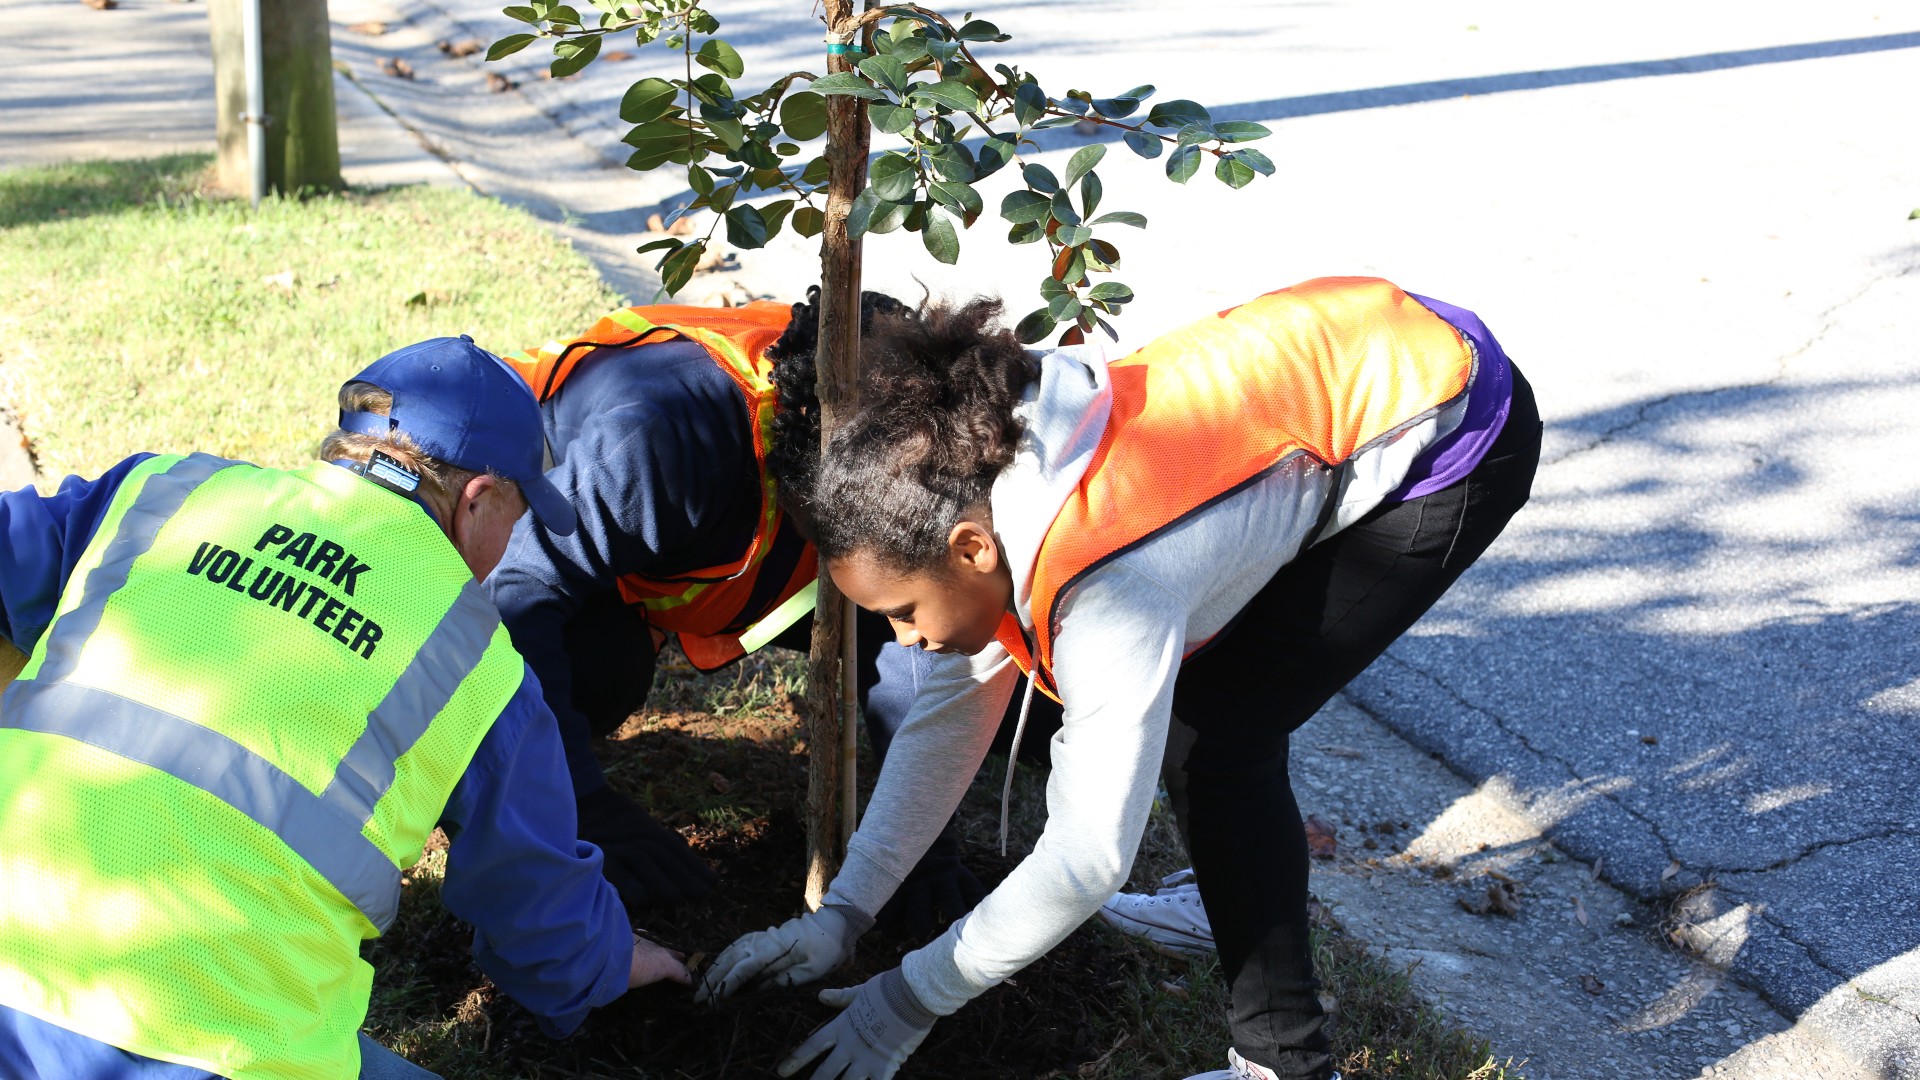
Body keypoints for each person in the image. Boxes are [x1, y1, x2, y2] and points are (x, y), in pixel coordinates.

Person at [698, 277, 1543, 1080]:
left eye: (905, 611)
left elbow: (1087, 859)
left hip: (1449, 420)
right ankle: (1227, 892)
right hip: (1339, 367)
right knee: (1202, 721)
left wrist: (911, 999)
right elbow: (951, 720)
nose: (905, 640)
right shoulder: (979, 470)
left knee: (1216, 740)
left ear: (969, 549)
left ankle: (1285, 1062)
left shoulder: (1110, 587)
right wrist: (845, 915)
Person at [0, 338, 688, 1079]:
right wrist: (615, 961)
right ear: (479, 498)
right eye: (517, 520)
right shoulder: (479, 664)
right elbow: (539, 913)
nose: (510, 549)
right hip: (209, 1050)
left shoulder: (163, 490)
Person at [488, 292, 1061, 927]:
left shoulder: (883, 470)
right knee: (598, 677)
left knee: (1026, 722)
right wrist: (574, 801)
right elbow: (517, 594)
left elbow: (899, 646)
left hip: (693, 541)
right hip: (528, 522)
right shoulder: (660, 442)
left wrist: (918, 851)